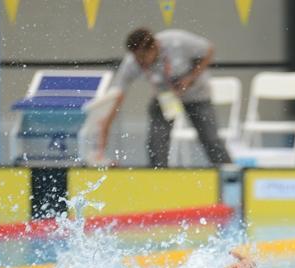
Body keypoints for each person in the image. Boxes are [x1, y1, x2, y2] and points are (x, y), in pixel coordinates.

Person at [98, 28, 231, 168]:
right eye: (137, 58)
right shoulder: (132, 62)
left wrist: (190, 78)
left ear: (155, 47)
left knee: (211, 139)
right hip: (166, 98)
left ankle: (229, 176)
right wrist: (105, 126)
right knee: (156, 141)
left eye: (143, 57)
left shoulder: (177, 41)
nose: (140, 62)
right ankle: (158, 174)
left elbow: (209, 50)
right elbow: (117, 94)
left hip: (196, 94)